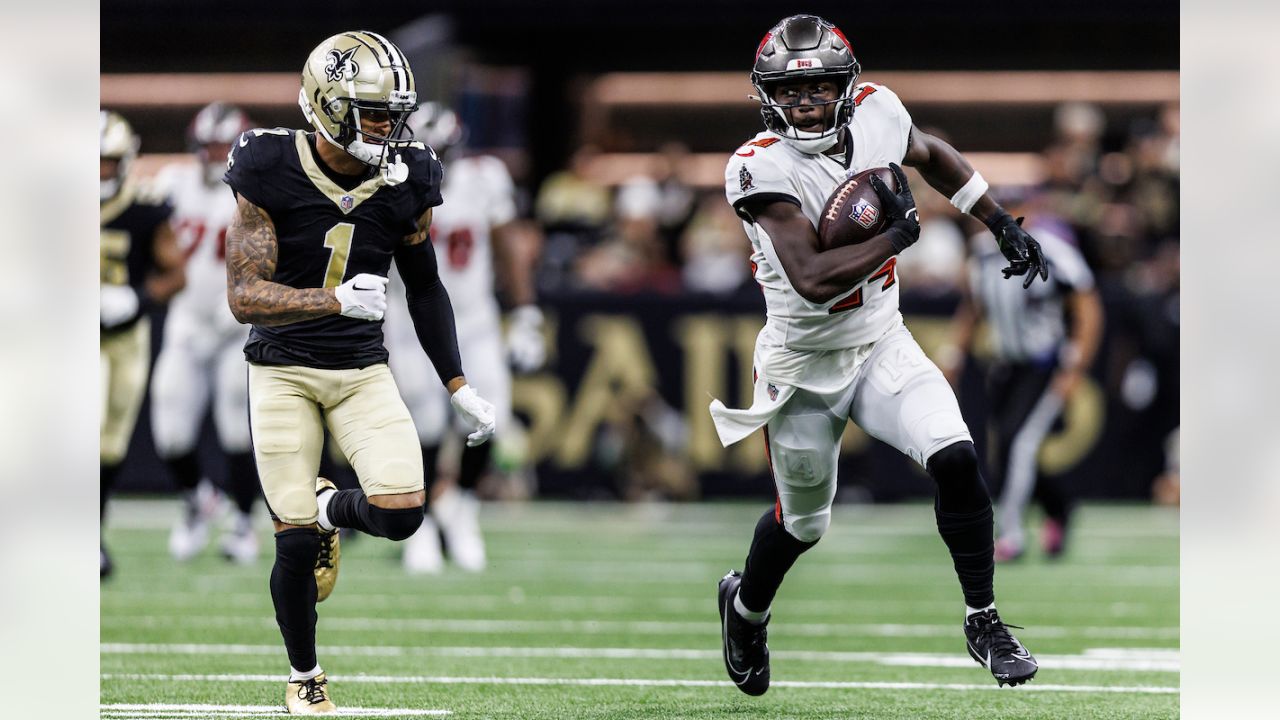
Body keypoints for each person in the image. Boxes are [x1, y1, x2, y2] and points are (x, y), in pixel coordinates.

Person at [708, 15, 1049, 695]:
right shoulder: (757, 165)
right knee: (803, 524)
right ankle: (746, 609)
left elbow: (932, 153)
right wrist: (897, 233)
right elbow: (810, 275)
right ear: (767, 96)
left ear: (847, 85)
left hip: (880, 340)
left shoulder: (880, 113)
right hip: (802, 364)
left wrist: (999, 220)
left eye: (820, 87)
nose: (806, 103)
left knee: (955, 455)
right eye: (791, 92)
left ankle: (983, 619)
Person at [223, 31, 496, 714]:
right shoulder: (266, 164)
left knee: (404, 513)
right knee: (290, 544)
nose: (389, 126)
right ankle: (305, 675)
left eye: (393, 111)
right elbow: (242, 295)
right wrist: (331, 299)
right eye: (373, 111)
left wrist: (457, 383)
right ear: (327, 104)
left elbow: (426, 286)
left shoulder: (409, 175)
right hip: (282, 369)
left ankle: (324, 507)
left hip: (360, 370)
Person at [385, 103, 547, 574]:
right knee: (427, 425)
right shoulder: (390, 180)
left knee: (488, 417)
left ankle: (460, 510)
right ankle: (425, 525)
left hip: (474, 320)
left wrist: (525, 313)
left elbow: (506, 245)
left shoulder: (484, 178)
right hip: (411, 319)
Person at [942, 213, 1104, 562]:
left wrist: (1074, 366)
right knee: (1014, 448)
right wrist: (954, 354)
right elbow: (972, 307)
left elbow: (1087, 306)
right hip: (1005, 366)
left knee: (1019, 443)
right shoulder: (982, 253)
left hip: (1044, 364)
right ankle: (1059, 507)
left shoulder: (1053, 250)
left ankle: (1011, 535)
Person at [150, 102, 263, 564]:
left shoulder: (261, 190)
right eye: (209, 145)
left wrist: (244, 296)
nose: (216, 154)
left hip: (238, 326)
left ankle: (241, 523)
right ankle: (200, 499)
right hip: (187, 320)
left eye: (224, 144)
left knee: (237, 427)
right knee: (169, 430)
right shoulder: (171, 185)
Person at [100, 109, 186, 578]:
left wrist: (135, 297)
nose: (97, 173)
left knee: (111, 444)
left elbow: (176, 274)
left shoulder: (144, 205)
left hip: (123, 335)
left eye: (106, 162)